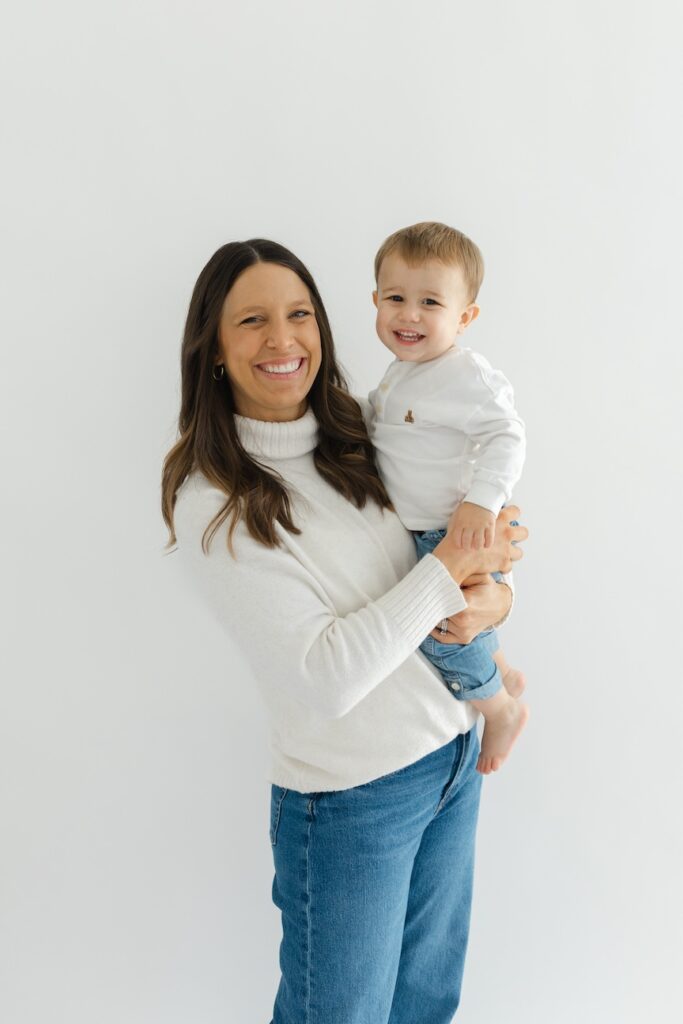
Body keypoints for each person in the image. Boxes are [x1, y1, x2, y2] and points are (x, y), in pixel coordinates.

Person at [161, 238, 527, 1024]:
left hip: (451, 760)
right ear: (214, 350)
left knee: (425, 1007)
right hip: (352, 804)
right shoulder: (213, 503)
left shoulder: (357, 436)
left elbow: (458, 549)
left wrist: (492, 600)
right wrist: (454, 571)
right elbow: (325, 679)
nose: (282, 339)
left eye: (299, 314)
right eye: (252, 320)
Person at [368, 221, 530, 774]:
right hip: (420, 529)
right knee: (463, 624)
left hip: (449, 531)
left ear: (465, 318)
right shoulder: (403, 372)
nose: (409, 314)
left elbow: (508, 435)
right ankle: (501, 668)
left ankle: (500, 708)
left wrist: (481, 502)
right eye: (396, 298)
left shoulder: (465, 376)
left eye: (430, 302)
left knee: (438, 635)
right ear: (376, 302)